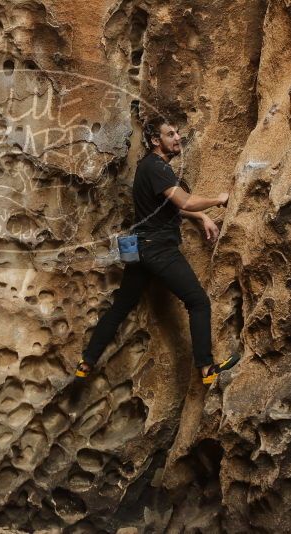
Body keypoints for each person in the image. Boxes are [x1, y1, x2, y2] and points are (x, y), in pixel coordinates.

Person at [75, 116, 239, 386]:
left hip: (138, 248)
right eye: (170, 134)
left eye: (177, 133)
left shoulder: (148, 167)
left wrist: (202, 217)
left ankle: (86, 362)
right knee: (198, 301)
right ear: (155, 140)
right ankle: (207, 368)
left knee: (120, 308)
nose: (177, 138)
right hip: (157, 248)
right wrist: (218, 200)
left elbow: (171, 206)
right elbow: (184, 200)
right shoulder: (157, 167)